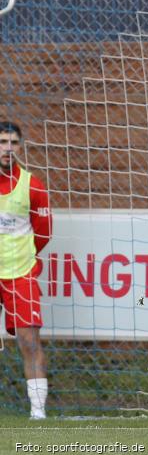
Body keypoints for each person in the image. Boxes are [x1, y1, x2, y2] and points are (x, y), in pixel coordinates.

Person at [0, 122, 52, 420]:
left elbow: (43, 234)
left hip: (20, 273)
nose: (8, 148)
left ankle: (38, 412)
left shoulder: (32, 185)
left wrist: (20, 257)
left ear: (20, 147)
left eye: (13, 143)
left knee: (29, 342)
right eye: (3, 142)